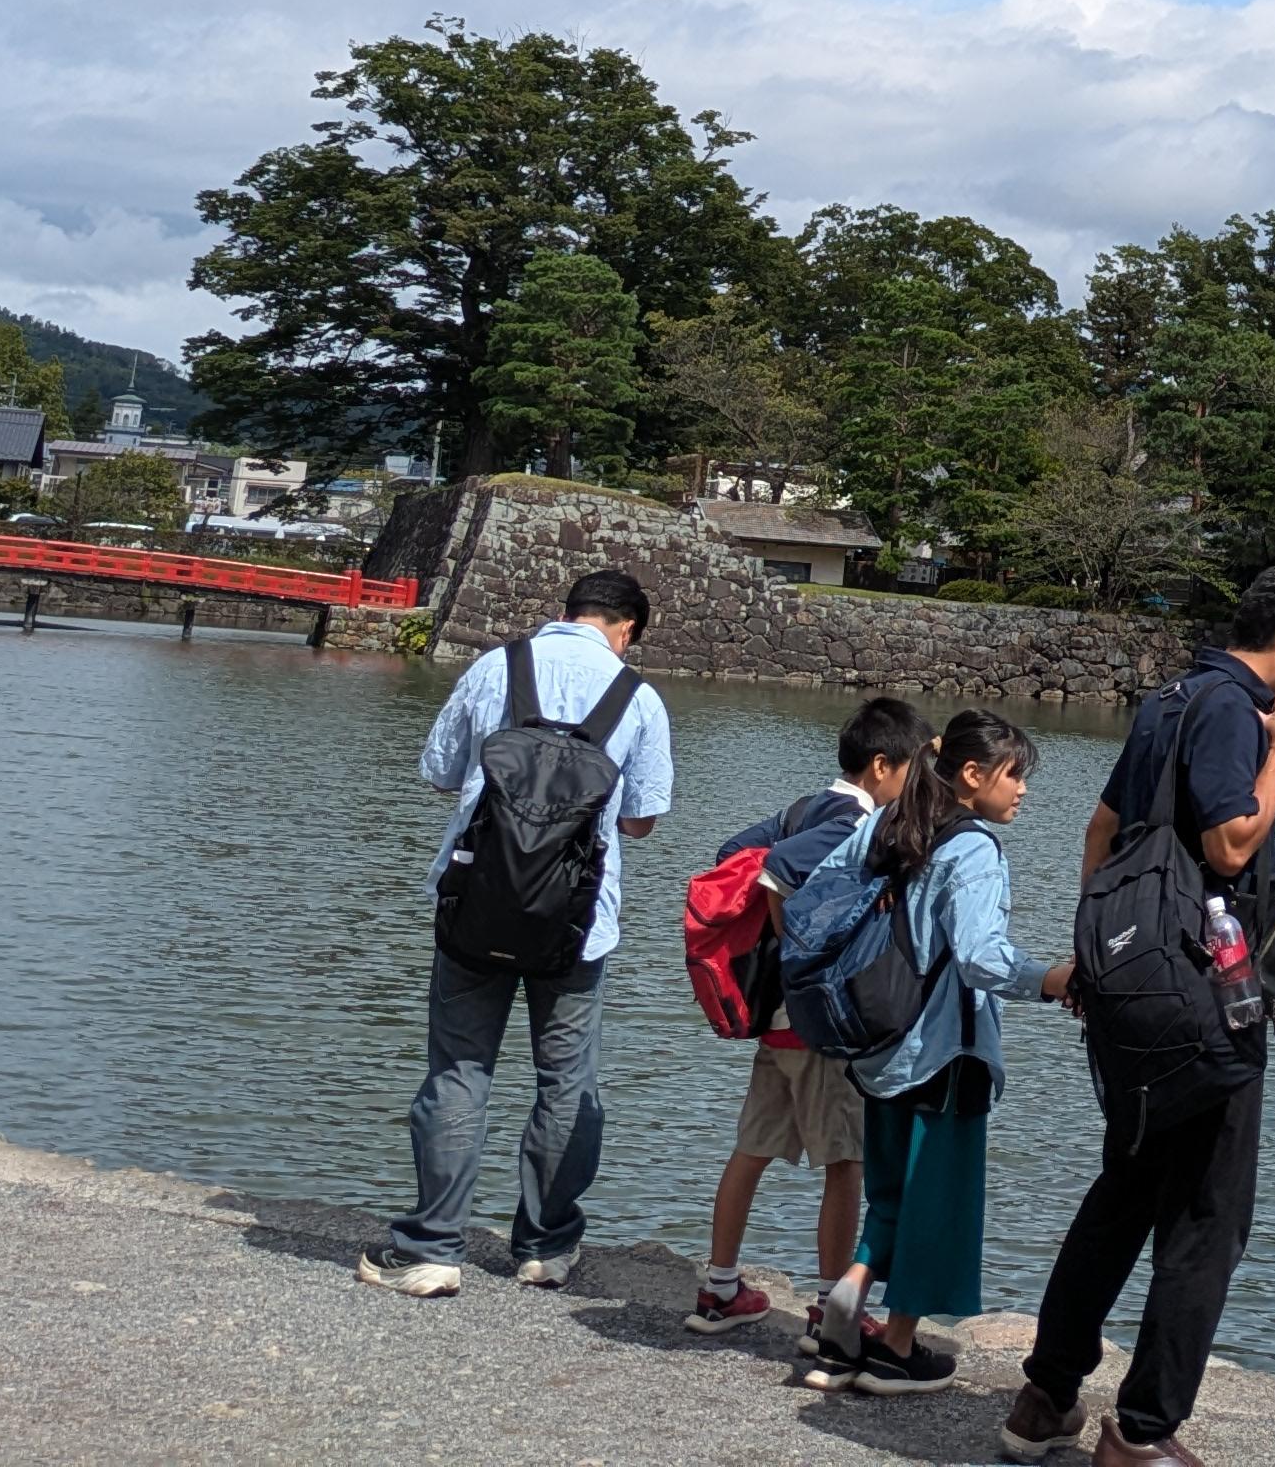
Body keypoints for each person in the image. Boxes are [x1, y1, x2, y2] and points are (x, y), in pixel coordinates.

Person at [1006, 568, 1275, 1467]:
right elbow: (1230, 841)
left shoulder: (1170, 699)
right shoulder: (1241, 710)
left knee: (1122, 1195)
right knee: (1207, 1218)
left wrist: (1099, 961)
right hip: (1205, 1003)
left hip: (1134, 991)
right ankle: (1143, 1433)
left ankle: (1045, 1396)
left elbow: (1098, 830)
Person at [357, 567, 676, 1297]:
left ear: (564, 612)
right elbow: (641, 820)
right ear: (627, 628)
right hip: (576, 921)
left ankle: (434, 1247)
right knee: (566, 1080)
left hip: (475, 906)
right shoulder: (638, 698)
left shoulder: (495, 666)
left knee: (459, 1070)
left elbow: (439, 772)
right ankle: (544, 1248)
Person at [805, 711, 1047, 1398]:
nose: (1023, 791)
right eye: (1015, 775)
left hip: (878, 1043)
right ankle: (896, 1351)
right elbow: (978, 956)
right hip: (944, 1052)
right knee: (936, 1199)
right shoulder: (972, 849)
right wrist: (1049, 979)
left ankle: (846, 1303)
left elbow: (811, 885)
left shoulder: (888, 824)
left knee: (889, 1189)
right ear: (973, 775)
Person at [692, 693, 928, 1337]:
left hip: (775, 1020)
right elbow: (777, 872)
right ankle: (830, 1306)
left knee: (753, 1148)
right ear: (881, 767)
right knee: (845, 1162)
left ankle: (719, 1288)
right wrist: (807, 955)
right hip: (817, 1026)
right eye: (913, 771)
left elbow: (733, 849)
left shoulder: (805, 805)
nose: (917, 786)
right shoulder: (856, 820)